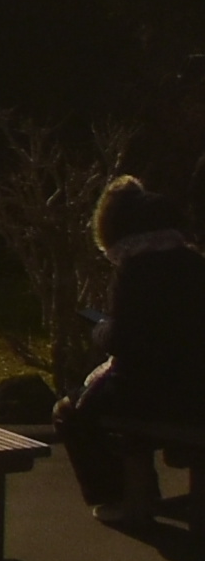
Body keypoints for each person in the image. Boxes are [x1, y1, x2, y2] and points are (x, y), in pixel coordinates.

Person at [60, 176, 205, 517]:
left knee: (72, 411)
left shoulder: (135, 270)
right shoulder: (196, 264)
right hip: (198, 390)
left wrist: (99, 327)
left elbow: (126, 343)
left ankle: (124, 498)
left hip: (154, 394)